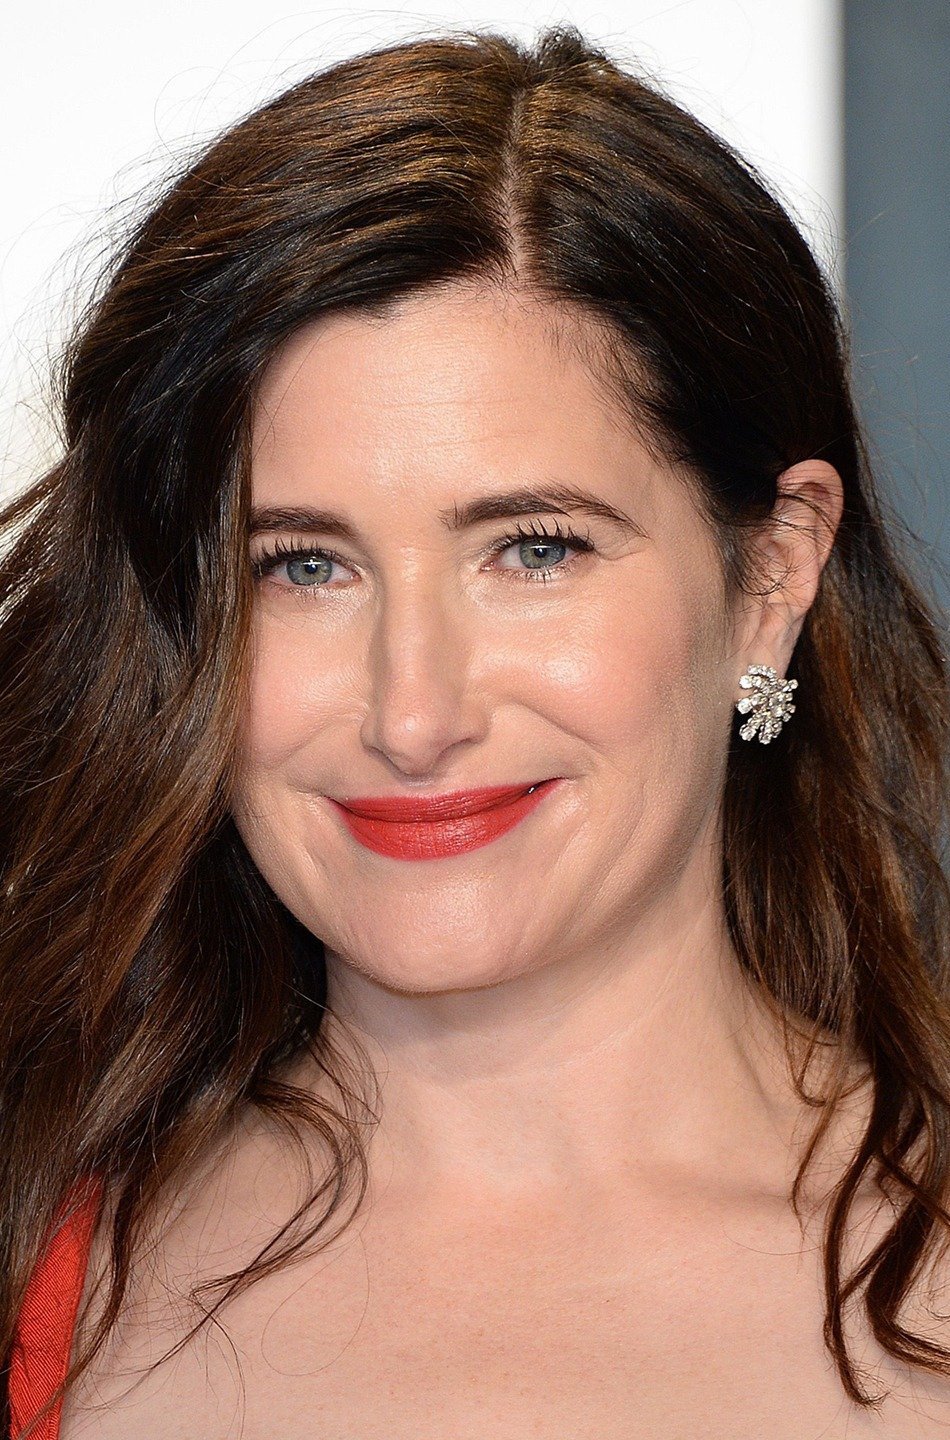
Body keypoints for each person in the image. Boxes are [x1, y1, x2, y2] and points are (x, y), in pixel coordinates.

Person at [3, 21, 950, 1440]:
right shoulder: (34, 1247)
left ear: (771, 574)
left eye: (535, 550)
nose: (413, 714)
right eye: (301, 565)